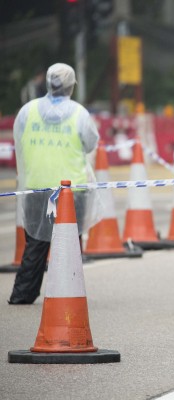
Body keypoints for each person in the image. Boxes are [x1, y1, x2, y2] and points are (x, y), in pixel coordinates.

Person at [9, 63, 99, 304]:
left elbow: (18, 143)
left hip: (36, 187)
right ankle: (68, 295)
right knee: (69, 248)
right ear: (71, 86)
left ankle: (22, 295)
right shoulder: (79, 114)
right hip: (71, 191)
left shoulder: (27, 111)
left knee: (35, 245)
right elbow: (91, 143)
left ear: (47, 83)